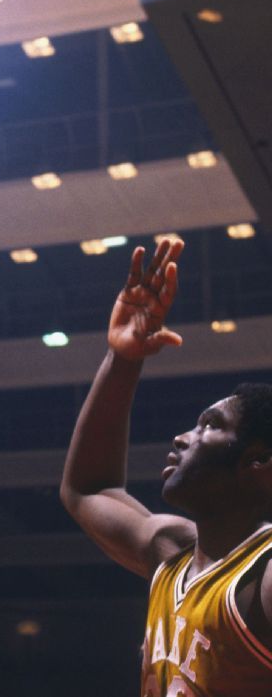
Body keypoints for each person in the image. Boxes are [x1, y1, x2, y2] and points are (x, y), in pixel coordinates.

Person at [61, 237, 272, 695]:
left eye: (209, 426)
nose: (181, 437)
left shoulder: (263, 575)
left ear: (257, 460)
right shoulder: (173, 553)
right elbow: (88, 491)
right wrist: (123, 359)